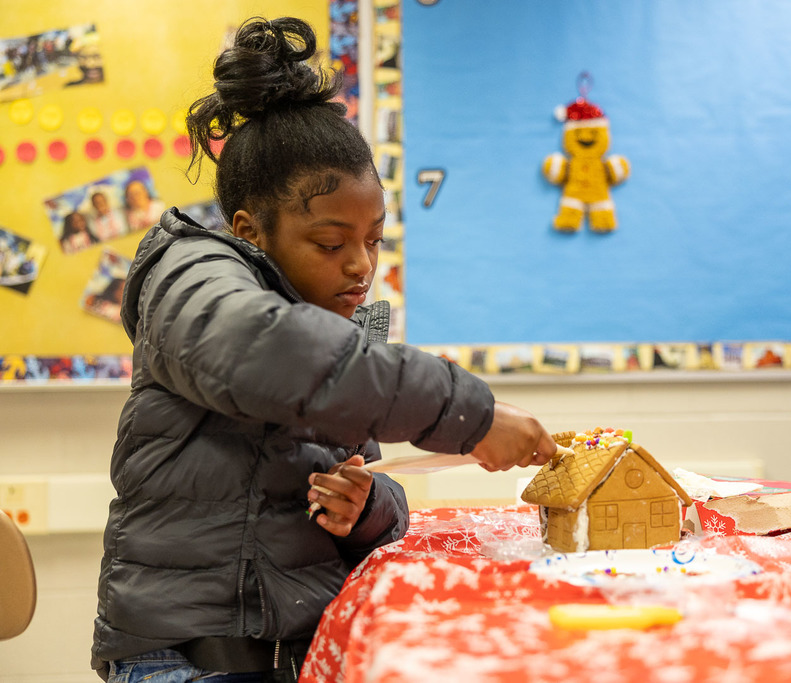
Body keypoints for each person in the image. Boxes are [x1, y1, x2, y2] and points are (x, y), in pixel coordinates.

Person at [91, 16, 557, 683]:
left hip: (301, 649)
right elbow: (262, 349)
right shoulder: (186, 273)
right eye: (331, 244)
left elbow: (378, 476)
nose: (360, 267)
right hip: (182, 657)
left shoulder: (346, 334)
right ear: (252, 230)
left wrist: (366, 509)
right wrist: (469, 414)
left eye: (373, 240)